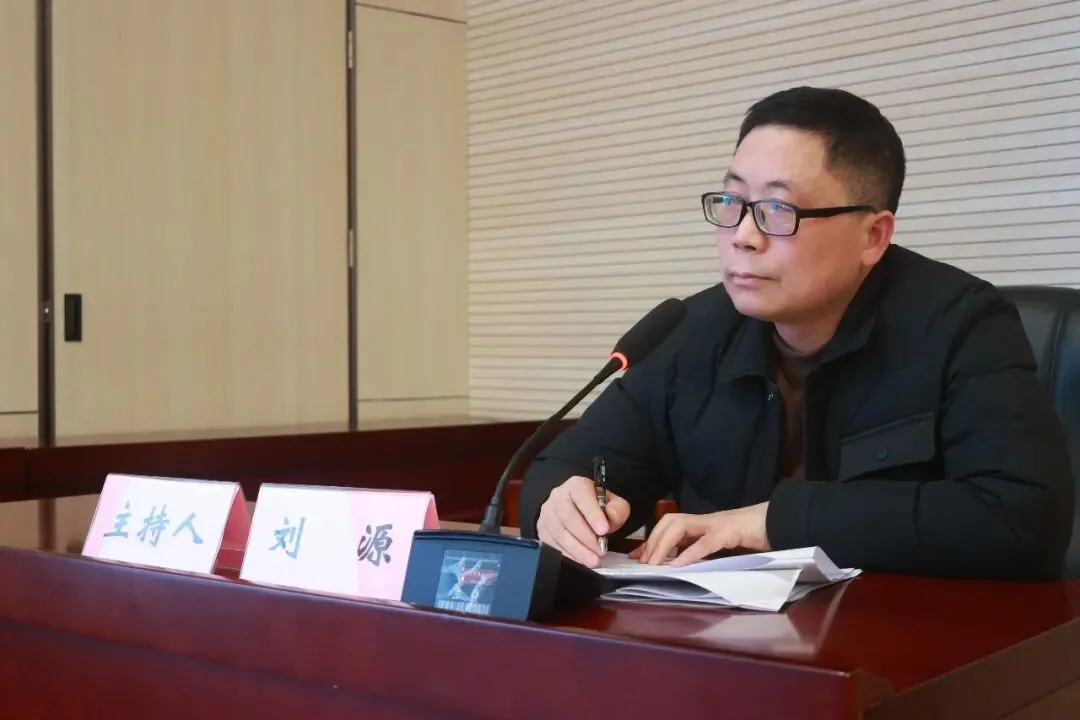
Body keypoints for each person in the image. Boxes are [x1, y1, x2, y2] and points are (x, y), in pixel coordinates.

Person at [516, 86, 1075, 581]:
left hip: (902, 643)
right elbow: (562, 472)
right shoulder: (689, 332)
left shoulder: (962, 324)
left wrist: (772, 522)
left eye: (778, 209)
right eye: (733, 202)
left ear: (872, 236)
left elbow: (1021, 521)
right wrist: (566, 505)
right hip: (721, 647)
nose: (743, 235)